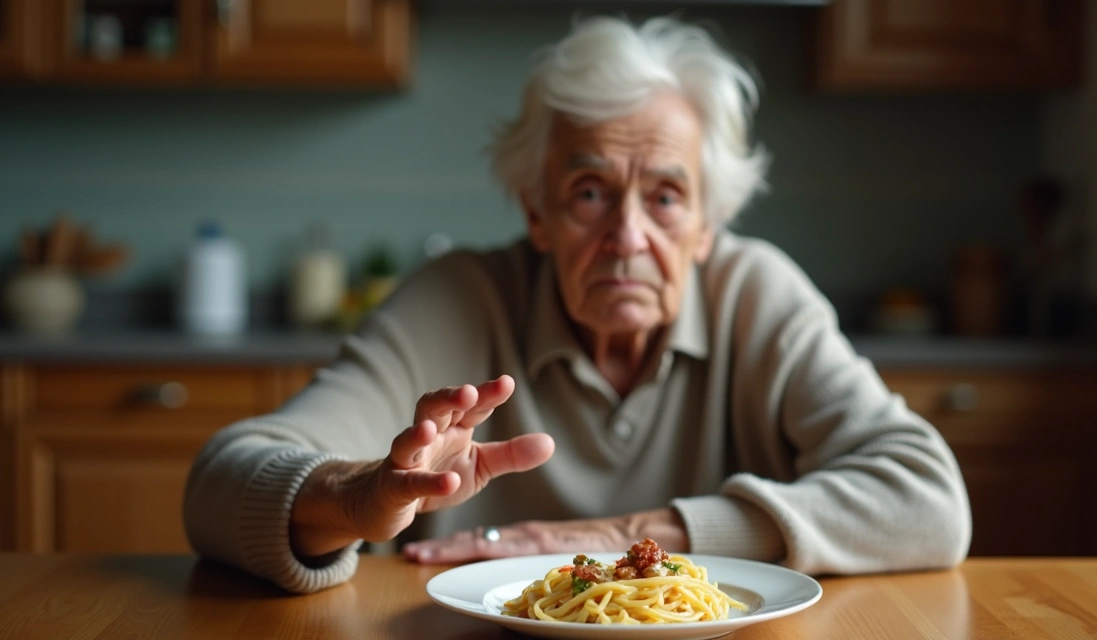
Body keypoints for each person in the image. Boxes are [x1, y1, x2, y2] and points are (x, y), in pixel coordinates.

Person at [183, 16, 971, 594]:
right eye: (589, 191)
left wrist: (632, 537)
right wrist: (359, 498)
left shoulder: (755, 291)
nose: (627, 236)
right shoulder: (464, 297)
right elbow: (220, 484)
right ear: (536, 213)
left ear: (708, 224)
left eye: (666, 197)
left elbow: (929, 500)